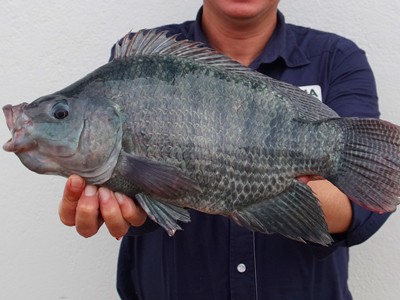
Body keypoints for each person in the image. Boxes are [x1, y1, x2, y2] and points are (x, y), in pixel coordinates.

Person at [59, 1, 391, 299]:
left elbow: (366, 202)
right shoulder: (143, 61)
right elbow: (139, 200)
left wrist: (240, 178)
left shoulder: (336, 58)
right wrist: (125, 199)